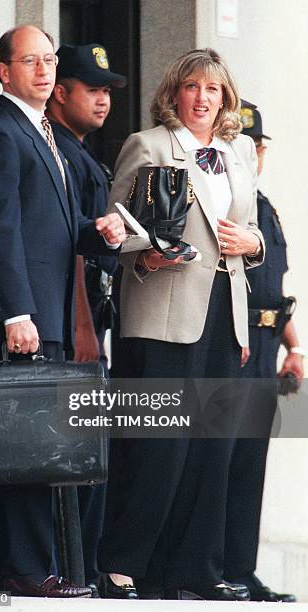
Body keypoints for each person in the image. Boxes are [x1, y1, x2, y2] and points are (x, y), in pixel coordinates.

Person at [0, 25, 125, 598]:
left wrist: (97, 233)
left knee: (20, 447)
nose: (44, 70)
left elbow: (49, 229)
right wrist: (16, 315)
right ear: (4, 72)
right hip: (25, 321)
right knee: (28, 449)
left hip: (45, 315)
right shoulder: (1, 133)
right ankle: (29, 571)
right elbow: (0, 231)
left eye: (50, 60)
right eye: (30, 61)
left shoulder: (43, 133)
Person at [97, 48, 265, 601]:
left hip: (225, 309)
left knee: (211, 446)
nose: (201, 98)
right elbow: (116, 233)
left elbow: (251, 230)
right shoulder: (148, 145)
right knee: (159, 444)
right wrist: (143, 257)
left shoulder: (239, 151)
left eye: (212, 90)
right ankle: (124, 563)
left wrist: (255, 243)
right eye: (192, 88)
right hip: (165, 307)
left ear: (225, 100)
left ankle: (195, 570)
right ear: (174, 94)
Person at [45, 43, 126, 596]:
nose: (102, 99)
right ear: (60, 91)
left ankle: (86, 566)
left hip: (93, 319)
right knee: (70, 453)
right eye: (90, 88)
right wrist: (81, 328)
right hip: (73, 324)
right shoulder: (62, 153)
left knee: (93, 453)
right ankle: (72, 568)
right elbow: (71, 251)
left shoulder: (82, 153)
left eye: (107, 91)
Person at [223, 101, 304, 602]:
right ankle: (213, 567)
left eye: (256, 145)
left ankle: (241, 568)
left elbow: (277, 289)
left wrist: (295, 348)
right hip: (235, 346)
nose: (251, 153)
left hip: (268, 347)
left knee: (251, 463)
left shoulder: (264, 206)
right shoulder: (230, 205)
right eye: (241, 144)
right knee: (221, 460)